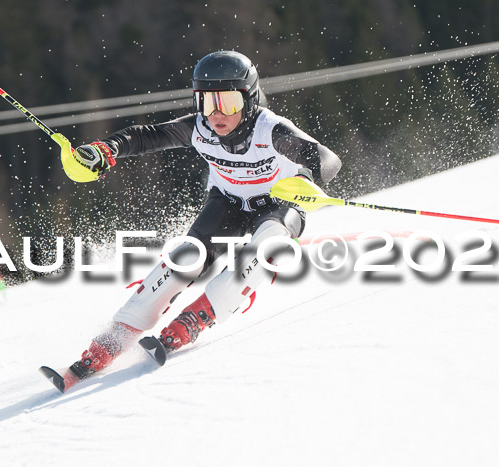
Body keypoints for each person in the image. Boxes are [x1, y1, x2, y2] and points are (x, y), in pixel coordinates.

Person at [56, 50, 341, 390]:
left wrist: (311, 176)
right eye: (206, 102)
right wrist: (106, 150)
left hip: (278, 205)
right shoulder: (199, 128)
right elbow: (146, 136)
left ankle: (196, 318)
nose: (217, 113)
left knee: (266, 245)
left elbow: (327, 159)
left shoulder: (270, 129)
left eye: (229, 102)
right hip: (228, 203)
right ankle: (113, 341)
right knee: (184, 260)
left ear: (248, 101)